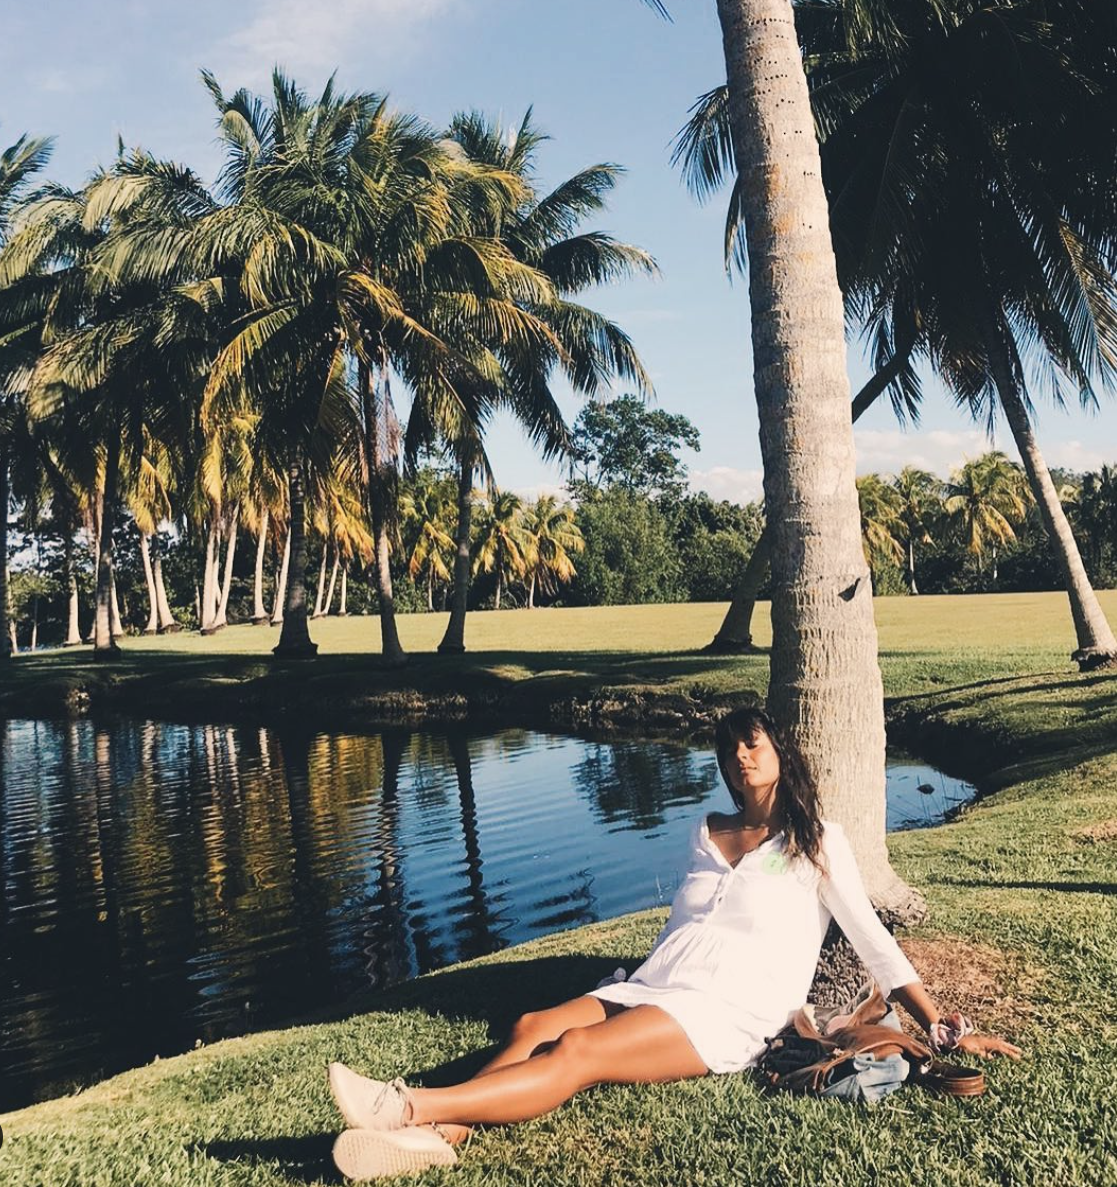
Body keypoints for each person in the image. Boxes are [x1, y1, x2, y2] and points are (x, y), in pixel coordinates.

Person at [327, 707, 1021, 1180]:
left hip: (730, 1007)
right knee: (531, 1025)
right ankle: (439, 1141)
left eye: (752, 741)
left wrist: (944, 1029)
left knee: (577, 1053)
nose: (740, 755)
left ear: (779, 750)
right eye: (728, 747)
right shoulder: (705, 828)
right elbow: (685, 925)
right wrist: (623, 990)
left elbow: (873, 942)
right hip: (654, 984)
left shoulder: (817, 840)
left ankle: (411, 1105)